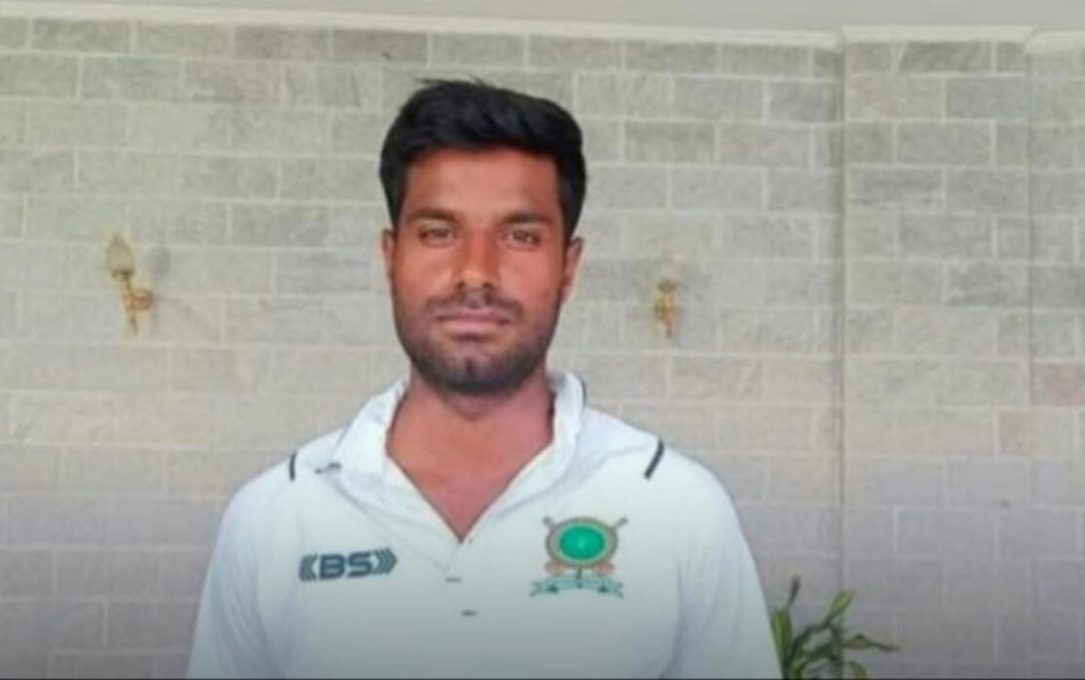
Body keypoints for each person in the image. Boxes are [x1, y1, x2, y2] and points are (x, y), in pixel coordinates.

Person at [187, 80, 780, 679]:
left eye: (520, 235)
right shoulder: (275, 518)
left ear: (568, 267)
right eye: (439, 232)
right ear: (390, 257)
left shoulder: (678, 508)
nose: (476, 272)